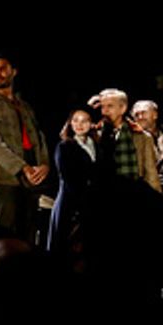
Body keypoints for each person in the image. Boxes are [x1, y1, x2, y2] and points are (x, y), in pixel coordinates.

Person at [0, 57, 50, 244]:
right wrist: (22, 167)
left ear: (13, 71)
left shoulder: (23, 105)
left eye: (2, 69)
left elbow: (38, 137)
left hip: (32, 176)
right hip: (5, 178)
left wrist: (44, 165)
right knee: (5, 234)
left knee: (30, 232)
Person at [47, 108, 101, 252]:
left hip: (93, 202)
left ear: (91, 124)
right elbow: (69, 178)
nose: (79, 124)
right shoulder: (64, 146)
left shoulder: (97, 145)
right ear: (70, 123)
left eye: (84, 121)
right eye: (75, 120)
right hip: (70, 203)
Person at [93, 88, 160, 192]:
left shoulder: (141, 136)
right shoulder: (95, 134)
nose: (104, 111)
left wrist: (157, 200)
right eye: (102, 106)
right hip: (105, 195)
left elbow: (151, 173)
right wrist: (88, 107)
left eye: (110, 106)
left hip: (134, 194)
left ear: (123, 108)